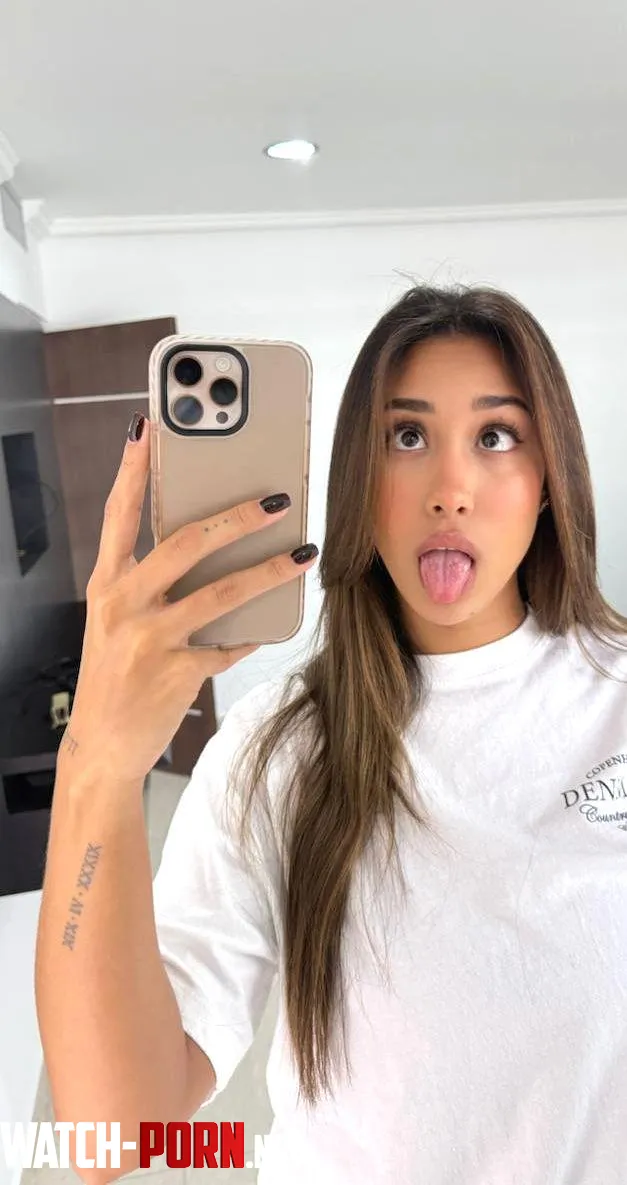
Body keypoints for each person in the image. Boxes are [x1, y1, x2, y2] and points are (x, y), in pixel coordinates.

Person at [36, 283, 627, 1185]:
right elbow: (109, 1136)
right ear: (355, 478)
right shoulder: (274, 752)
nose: (450, 491)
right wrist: (97, 769)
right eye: (406, 436)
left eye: (495, 435)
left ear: (548, 480)